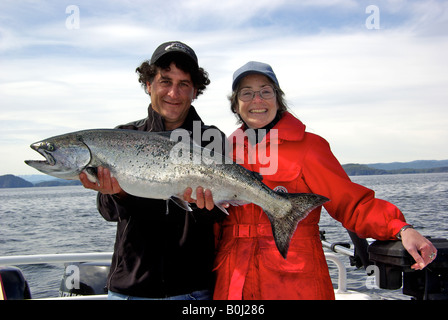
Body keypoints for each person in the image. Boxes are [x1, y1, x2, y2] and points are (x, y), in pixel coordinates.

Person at [187, 61, 438, 300]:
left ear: (278, 99)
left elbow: (351, 203)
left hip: (294, 280)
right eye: (247, 93)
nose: (257, 100)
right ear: (235, 104)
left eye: (266, 91)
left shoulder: (310, 147)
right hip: (232, 278)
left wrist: (400, 228)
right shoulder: (221, 150)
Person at [79, 41, 226, 300]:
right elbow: (108, 212)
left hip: (192, 291)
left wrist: (206, 207)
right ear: (148, 85)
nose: (173, 93)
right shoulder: (122, 137)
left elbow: (220, 217)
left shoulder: (212, 139)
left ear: (195, 91)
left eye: (184, 84)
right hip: (130, 290)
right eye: (165, 81)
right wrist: (119, 195)